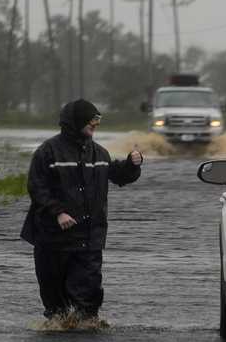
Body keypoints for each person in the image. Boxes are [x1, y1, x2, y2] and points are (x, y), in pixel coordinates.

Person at [21, 99, 143, 322]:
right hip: (52, 240)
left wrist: (132, 165)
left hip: (89, 240)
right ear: (76, 121)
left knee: (87, 305)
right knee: (56, 307)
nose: (96, 124)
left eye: (98, 120)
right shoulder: (47, 152)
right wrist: (58, 212)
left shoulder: (100, 154)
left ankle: (86, 334)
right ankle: (59, 334)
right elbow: (37, 188)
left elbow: (119, 176)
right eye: (92, 120)